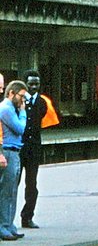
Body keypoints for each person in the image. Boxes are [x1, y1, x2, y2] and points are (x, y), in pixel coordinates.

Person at [18, 70, 59, 228]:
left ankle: (27, 217)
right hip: (19, 148)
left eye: (36, 84)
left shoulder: (43, 102)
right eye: (31, 84)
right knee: (12, 183)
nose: (34, 87)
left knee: (32, 184)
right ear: (25, 84)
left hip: (34, 149)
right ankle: (5, 220)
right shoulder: (18, 101)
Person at [0, 80, 29, 241]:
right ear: (11, 93)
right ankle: (3, 226)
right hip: (8, 151)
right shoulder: (5, 109)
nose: (23, 101)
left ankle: (9, 224)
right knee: (6, 191)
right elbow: (20, 128)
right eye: (21, 96)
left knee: (12, 191)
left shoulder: (12, 108)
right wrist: (24, 113)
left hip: (15, 152)